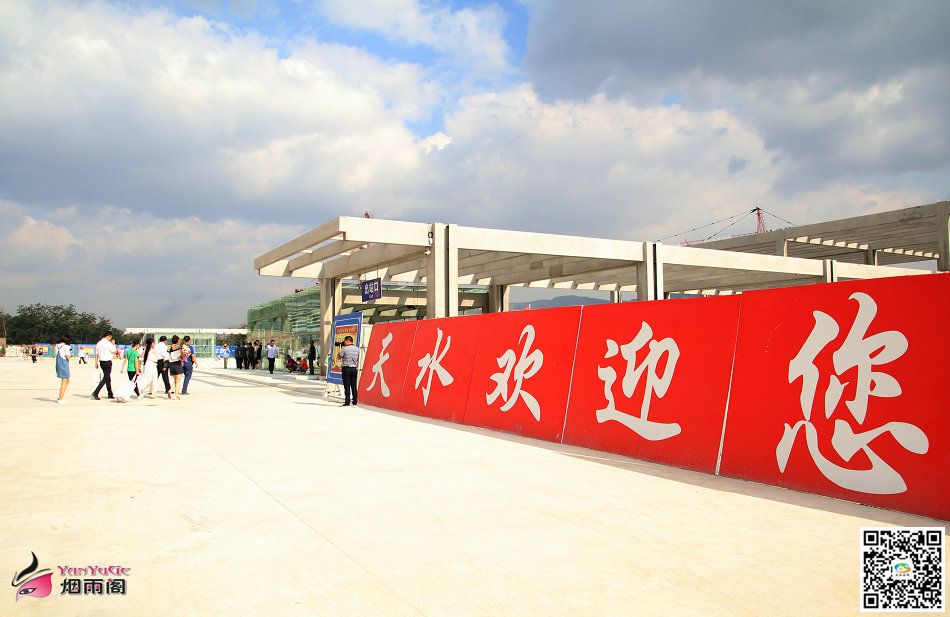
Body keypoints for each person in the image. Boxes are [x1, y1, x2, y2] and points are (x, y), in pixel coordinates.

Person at [92, 331, 116, 399]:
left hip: (101, 362)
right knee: (106, 378)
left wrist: (96, 363)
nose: (110, 339)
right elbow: (114, 351)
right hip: (107, 362)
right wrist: (113, 344)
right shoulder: (108, 343)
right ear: (108, 336)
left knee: (107, 378)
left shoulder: (99, 343)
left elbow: (96, 354)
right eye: (110, 337)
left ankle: (110, 393)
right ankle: (96, 392)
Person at [337, 335, 359, 407]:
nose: (344, 342)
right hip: (354, 369)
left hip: (346, 369)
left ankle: (347, 402)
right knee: (354, 386)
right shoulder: (357, 349)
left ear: (347, 341)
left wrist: (340, 349)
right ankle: (355, 402)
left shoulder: (345, 349)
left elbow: (338, 357)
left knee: (347, 386)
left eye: (345, 341)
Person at [55, 336, 72, 404]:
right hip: (64, 364)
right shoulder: (66, 347)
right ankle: (60, 399)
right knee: (64, 381)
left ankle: (60, 396)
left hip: (58, 363)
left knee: (67, 380)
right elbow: (68, 357)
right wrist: (70, 352)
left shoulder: (57, 346)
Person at [166, 335, 184, 399]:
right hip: (177, 364)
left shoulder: (168, 348)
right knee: (178, 381)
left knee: (175, 380)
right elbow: (178, 357)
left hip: (171, 364)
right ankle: (176, 395)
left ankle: (170, 390)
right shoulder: (178, 347)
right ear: (177, 340)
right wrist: (182, 359)